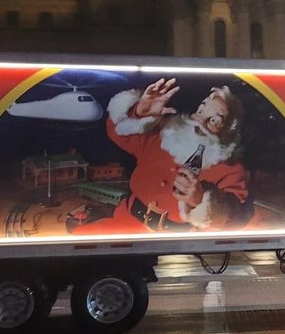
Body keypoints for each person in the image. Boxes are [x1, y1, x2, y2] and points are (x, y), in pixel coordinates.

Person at [86, 77, 252, 233]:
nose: (200, 122)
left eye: (214, 120)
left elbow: (238, 217)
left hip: (179, 244)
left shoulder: (230, 169)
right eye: (201, 111)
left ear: (228, 130)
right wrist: (141, 114)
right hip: (125, 224)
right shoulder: (166, 133)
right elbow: (117, 133)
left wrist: (201, 200)